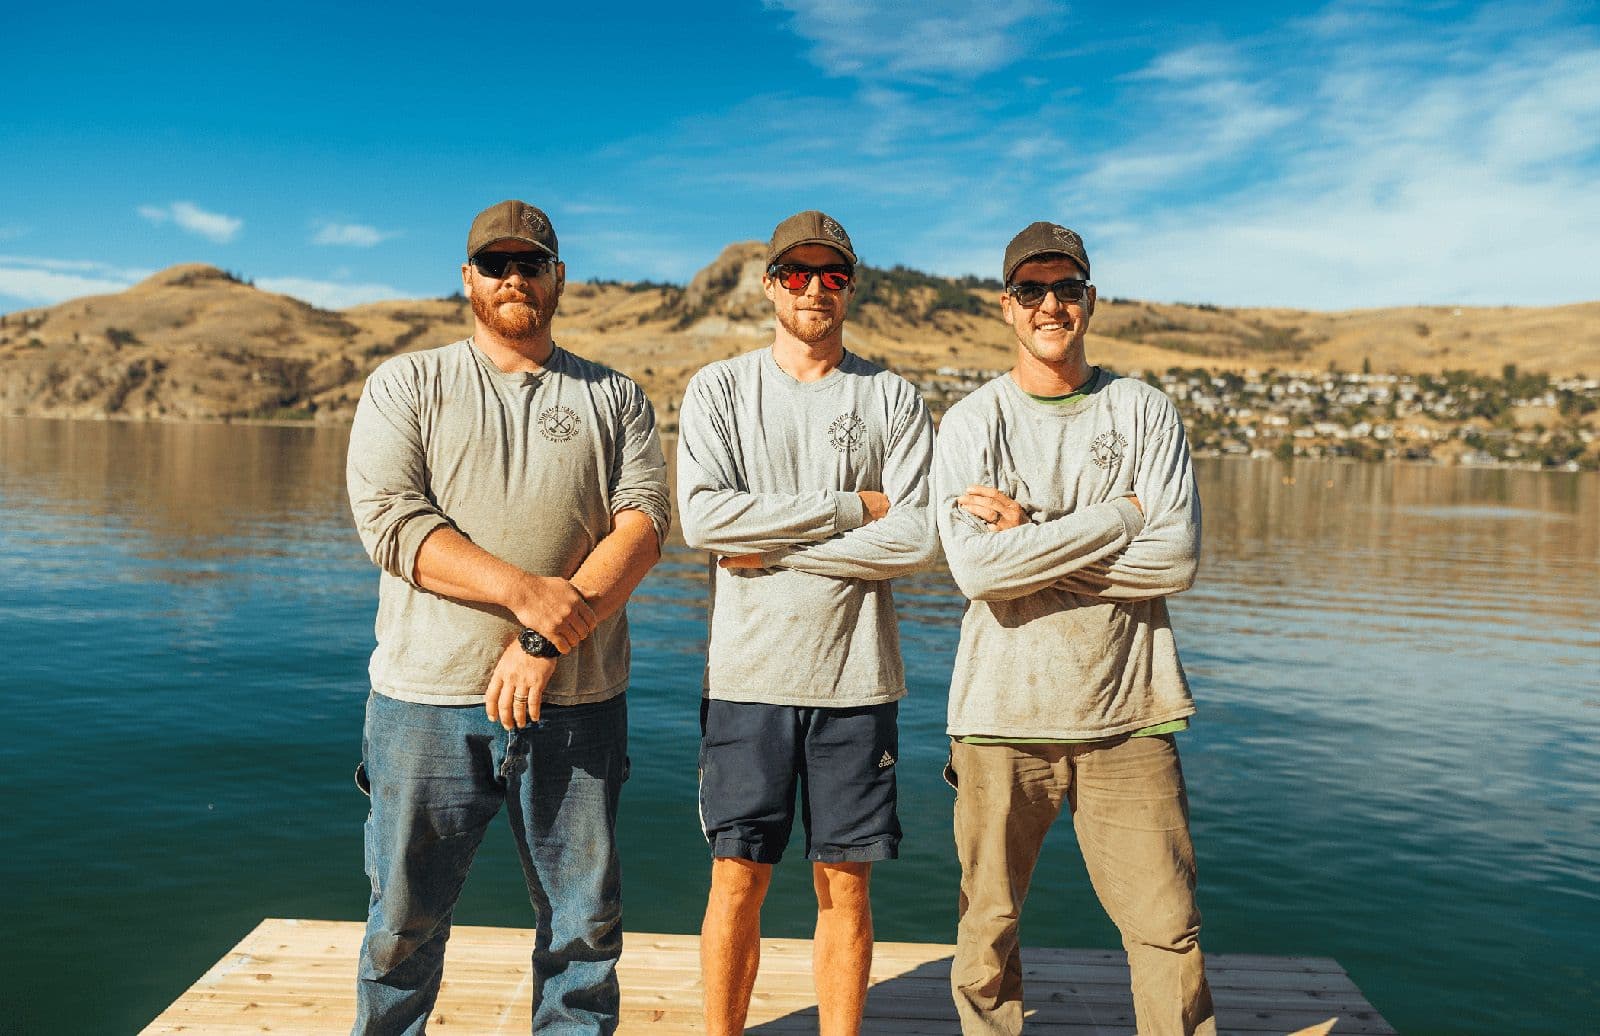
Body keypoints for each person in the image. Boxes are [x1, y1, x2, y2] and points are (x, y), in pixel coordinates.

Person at [345, 199, 670, 1035]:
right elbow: (392, 523)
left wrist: (542, 640)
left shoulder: (617, 396)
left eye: (532, 263)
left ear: (559, 276)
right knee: (400, 930)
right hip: (425, 706)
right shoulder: (408, 383)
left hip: (578, 707)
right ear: (468, 279)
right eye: (497, 264)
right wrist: (528, 593)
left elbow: (642, 527)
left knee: (583, 937)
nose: (514, 277)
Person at [933, 222, 1215, 1035]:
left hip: (1131, 716)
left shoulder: (1146, 411)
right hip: (998, 718)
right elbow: (978, 572)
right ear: (1006, 307)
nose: (1050, 304)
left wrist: (1032, 534)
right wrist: (1122, 515)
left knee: (1168, 930)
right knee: (987, 931)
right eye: (1032, 290)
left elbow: (1176, 562)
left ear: (1090, 300)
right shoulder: (971, 422)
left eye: (1066, 288)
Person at [676, 210, 938, 1035]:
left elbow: (919, 534)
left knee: (846, 885)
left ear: (851, 287)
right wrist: (848, 507)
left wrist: (781, 552)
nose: (815, 289)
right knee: (736, 879)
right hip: (748, 678)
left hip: (856, 683)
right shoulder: (720, 389)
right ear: (770, 285)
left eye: (832, 275)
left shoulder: (891, 396)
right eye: (797, 274)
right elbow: (707, 521)